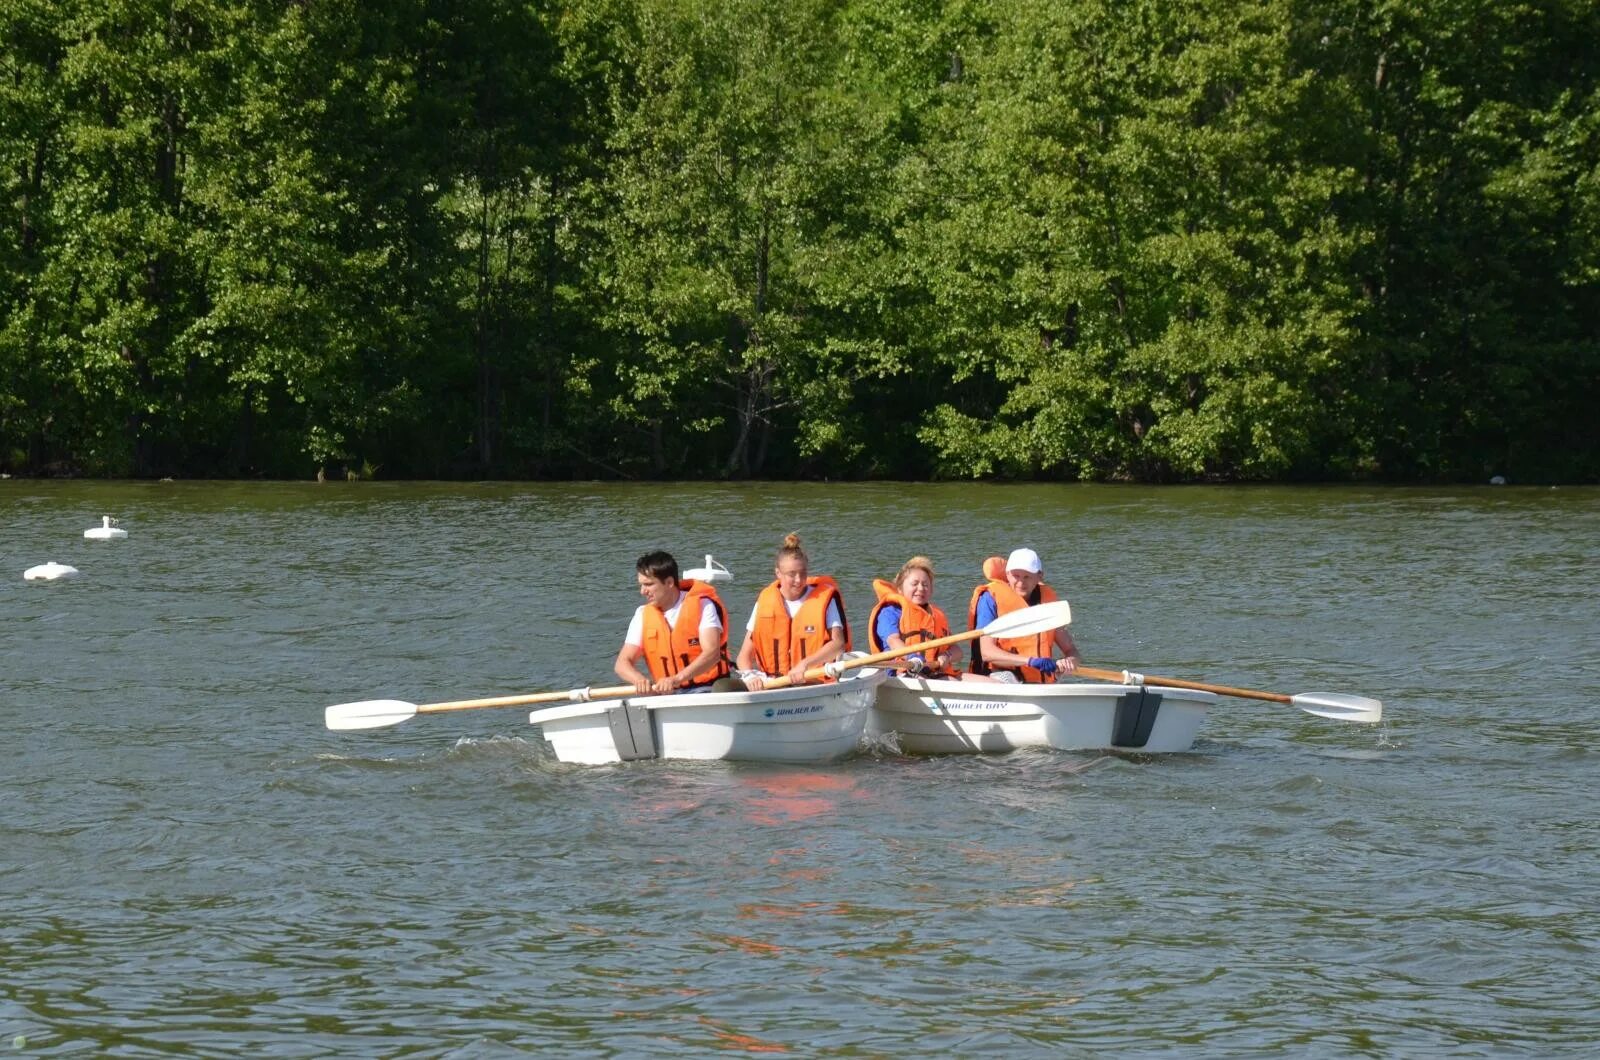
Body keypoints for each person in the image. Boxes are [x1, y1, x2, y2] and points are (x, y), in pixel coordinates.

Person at [735, 532, 850, 690]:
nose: (799, 580)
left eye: (803, 573)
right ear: (778, 574)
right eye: (792, 574)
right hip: (774, 683)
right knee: (726, 687)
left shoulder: (825, 600)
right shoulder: (765, 601)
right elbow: (743, 656)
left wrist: (804, 665)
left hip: (813, 682)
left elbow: (838, 644)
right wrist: (749, 675)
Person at [613, 550, 731, 694]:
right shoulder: (642, 614)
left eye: (649, 584)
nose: (643, 591)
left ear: (669, 582)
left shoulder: (703, 606)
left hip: (707, 688)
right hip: (666, 693)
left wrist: (676, 679)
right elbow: (622, 663)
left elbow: (712, 654)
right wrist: (639, 680)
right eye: (641, 585)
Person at [868, 556, 993, 681]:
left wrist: (946, 656)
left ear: (931, 590)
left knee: (994, 684)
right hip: (903, 673)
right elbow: (893, 641)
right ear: (900, 589)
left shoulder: (934, 615)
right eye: (915, 584)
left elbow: (957, 651)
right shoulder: (889, 612)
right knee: (952, 683)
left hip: (934, 672)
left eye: (925, 584)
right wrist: (912, 657)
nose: (921, 588)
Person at [966, 547, 1079, 682]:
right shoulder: (990, 599)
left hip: (1039, 682)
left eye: (1027, 577)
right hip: (999, 677)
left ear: (1039, 576)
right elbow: (987, 652)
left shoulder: (1047, 601)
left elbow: (1071, 649)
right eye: (1016, 576)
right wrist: (1030, 661)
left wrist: (1070, 661)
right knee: (1009, 679)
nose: (1021, 582)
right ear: (1007, 574)